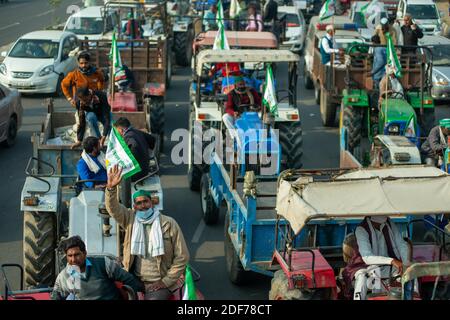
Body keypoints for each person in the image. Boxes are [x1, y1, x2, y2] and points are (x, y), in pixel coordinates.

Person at [105, 165, 190, 300]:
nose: (143, 205)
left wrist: (165, 281)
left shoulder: (168, 223)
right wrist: (111, 188)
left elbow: (182, 257)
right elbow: (113, 209)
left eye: (146, 201)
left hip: (160, 281)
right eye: (139, 203)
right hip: (135, 279)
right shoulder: (130, 219)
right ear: (134, 207)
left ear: (152, 203)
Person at [51, 236, 143, 300]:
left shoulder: (104, 264)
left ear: (85, 253)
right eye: (70, 256)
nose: (73, 259)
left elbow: (128, 279)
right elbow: (56, 296)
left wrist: (137, 293)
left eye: (77, 254)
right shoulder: (64, 276)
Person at [342, 216, 410, 300]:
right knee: (363, 278)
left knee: (411, 273)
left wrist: (406, 264)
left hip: (387, 265)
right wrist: (392, 261)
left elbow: (401, 244)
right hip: (364, 266)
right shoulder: (361, 229)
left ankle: (413, 297)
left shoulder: (389, 223)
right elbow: (367, 257)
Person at [113, 117, 156, 182]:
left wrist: (129, 161)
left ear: (121, 130)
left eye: (117, 131)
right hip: (145, 169)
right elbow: (152, 139)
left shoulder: (127, 136)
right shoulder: (137, 132)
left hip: (137, 174)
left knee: (114, 173)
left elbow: (134, 146)